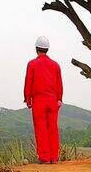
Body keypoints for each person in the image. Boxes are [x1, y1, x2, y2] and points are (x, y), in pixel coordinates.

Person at [23, 36, 63, 164]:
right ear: (47, 49)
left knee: (41, 129)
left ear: (36, 49)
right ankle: (54, 157)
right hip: (52, 100)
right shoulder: (55, 65)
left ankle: (44, 158)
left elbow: (28, 83)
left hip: (39, 100)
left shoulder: (32, 64)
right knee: (53, 128)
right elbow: (59, 84)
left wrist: (28, 100)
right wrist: (59, 99)